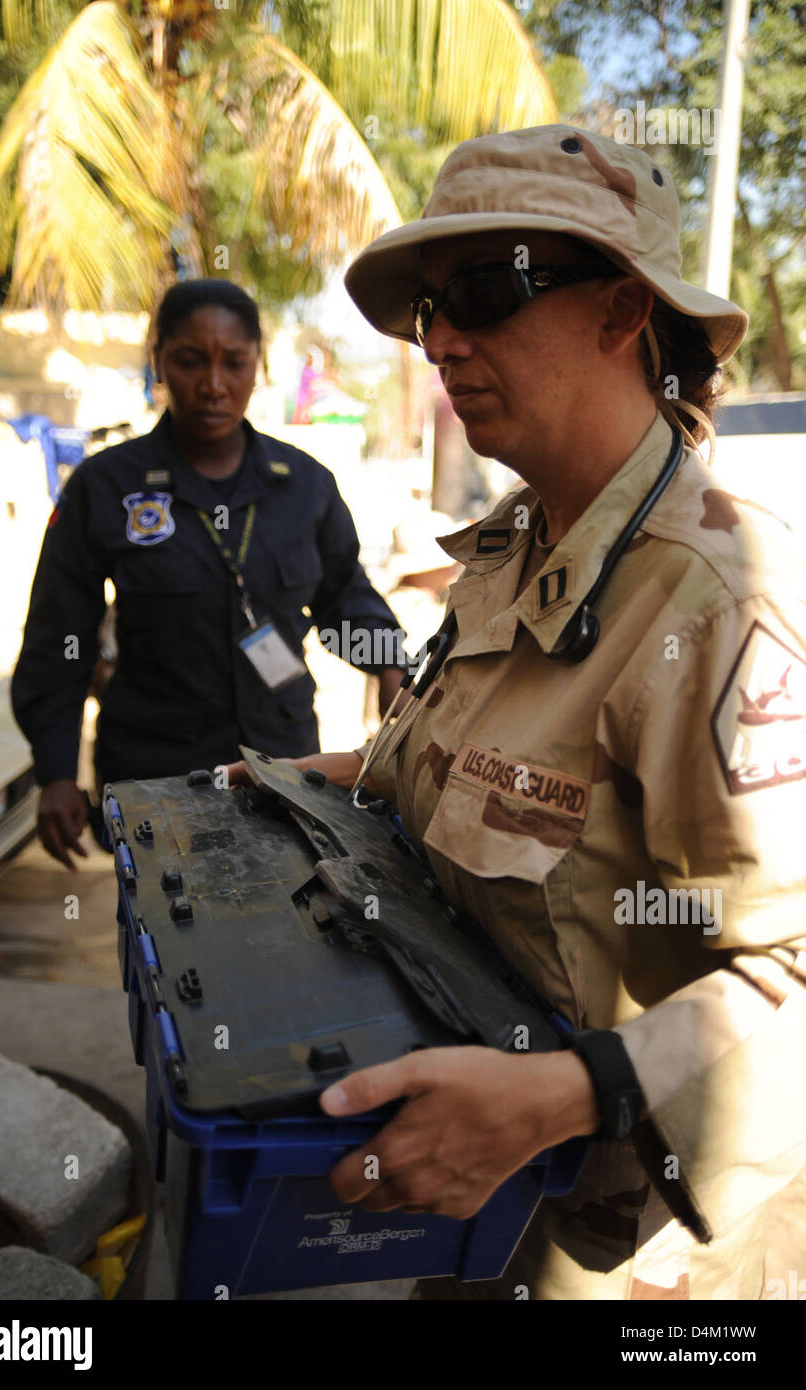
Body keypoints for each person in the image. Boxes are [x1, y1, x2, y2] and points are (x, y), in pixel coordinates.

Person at [220, 125, 806, 1300]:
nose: (439, 338)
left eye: (486, 290)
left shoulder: (716, 594)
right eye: (430, 306)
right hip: (481, 1216)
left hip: (638, 1263)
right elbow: (480, 777)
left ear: (622, 310)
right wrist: (333, 782)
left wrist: (570, 1091)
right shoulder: (511, 551)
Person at [11, 279, 407, 870]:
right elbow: (58, 639)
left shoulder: (303, 486)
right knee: (164, 951)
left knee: (288, 944)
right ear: (159, 363)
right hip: (155, 778)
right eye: (191, 361)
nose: (214, 385)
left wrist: (386, 658)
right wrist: (57, 772)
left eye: (235, 363)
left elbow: (344, 596)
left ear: (258, 366)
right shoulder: (105, 487)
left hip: (285, 775)